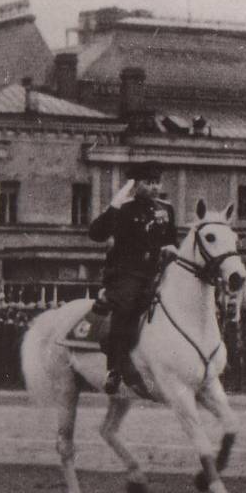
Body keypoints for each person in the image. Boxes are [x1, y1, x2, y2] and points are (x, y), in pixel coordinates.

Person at [86, 161, 179, 396]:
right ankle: (115, 368)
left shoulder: (166, 210)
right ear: (136, 185)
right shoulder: (124, 209)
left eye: (157, 182)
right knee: (126, 306)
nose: (155, 187)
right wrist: (115, 204)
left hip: (156, 272)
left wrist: (171, 249)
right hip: (126, 273)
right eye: (149, 183)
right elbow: (96, 233)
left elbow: (171, 240)